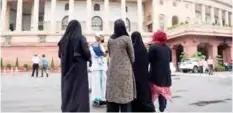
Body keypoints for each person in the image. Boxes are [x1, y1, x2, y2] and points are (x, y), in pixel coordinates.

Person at [58, 20, 92, 112]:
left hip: (66, 69)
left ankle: (67, 109)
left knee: (68, 90)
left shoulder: (63, 40)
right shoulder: (81, 38)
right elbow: (87, 54)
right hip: (79, 70)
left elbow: (59, 55)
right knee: (79, 91)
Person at [106, 19, 136, 112]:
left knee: (113, 95)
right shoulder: (126, 38)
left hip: (112, 70)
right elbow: (132, 56)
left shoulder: (110, 40)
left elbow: (110, 54)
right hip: (125, 71)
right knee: (125, 96)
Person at [130, 31, 155, 112]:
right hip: (144, 76)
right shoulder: (144, 49)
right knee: (144, 93)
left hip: (133, 76)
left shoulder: (131, 50)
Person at [148, 31, 172, 112]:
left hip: (155, 74)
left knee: (153, 93)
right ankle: (162, 109)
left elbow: (149, 59)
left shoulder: (153, 47)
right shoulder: (168, 48)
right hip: (166, 75)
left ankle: (152, 109)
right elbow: (170, 60)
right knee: (163, 93)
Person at [89, 33, 107, 106]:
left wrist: (105, 53)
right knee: (97, 84)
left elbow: (104, 55)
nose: (100, 39)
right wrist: (103, 53)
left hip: (102, 67)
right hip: (97, 67)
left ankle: (102, 98)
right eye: (99, 37)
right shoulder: (92, 46)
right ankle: (96, 99)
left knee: (102, 83)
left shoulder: (101, 45)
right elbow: (96, 55)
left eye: (101, 37)